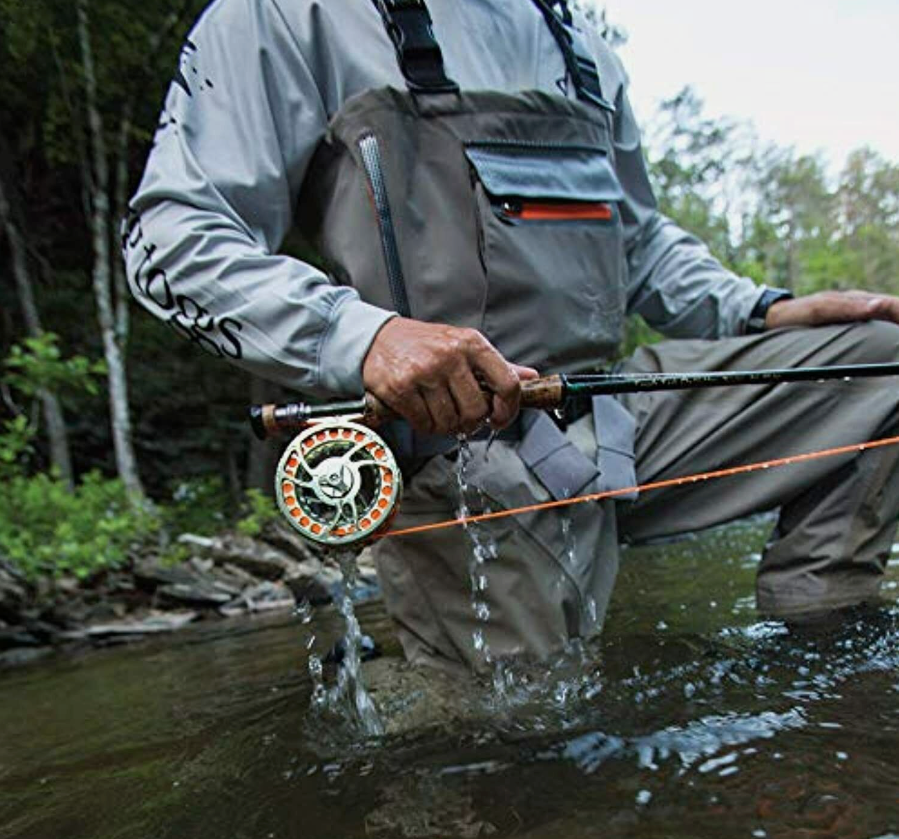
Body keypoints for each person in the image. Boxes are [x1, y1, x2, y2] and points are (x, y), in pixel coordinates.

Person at [124, 0, 899, 675]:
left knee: (881, 363)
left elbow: (635, 239)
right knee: (516, 757)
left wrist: (761, 310)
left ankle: (823, 644)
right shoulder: (285, 14)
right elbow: (168, 239)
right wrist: (365, 338)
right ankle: (413, 688)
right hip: (452, 453)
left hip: (614, 414)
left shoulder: (579, 40)